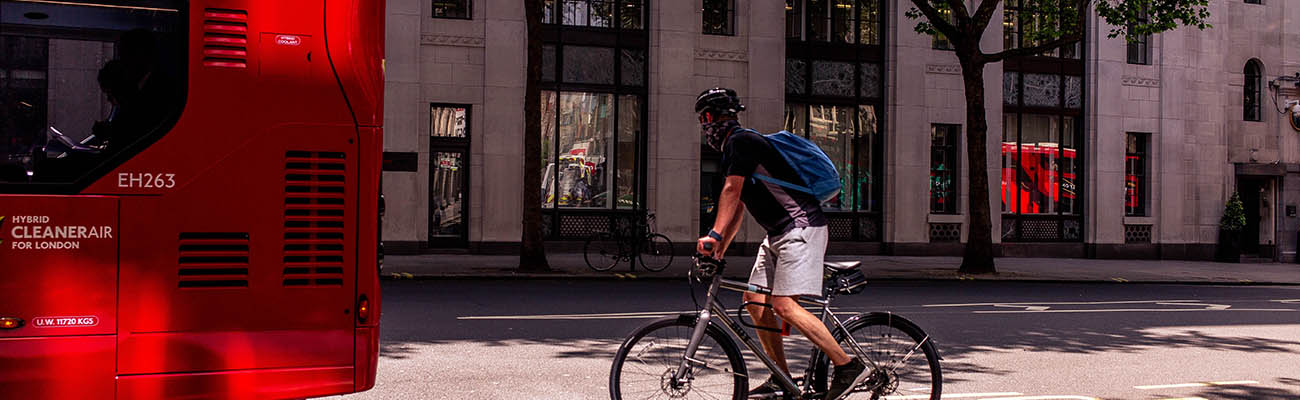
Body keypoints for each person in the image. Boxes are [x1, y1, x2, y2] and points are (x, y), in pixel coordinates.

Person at [693, 87, 865, 399]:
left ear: (717, 116)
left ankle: (847, 365)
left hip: (802, 228)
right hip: (778, 235)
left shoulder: (741, 141)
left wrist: (714, 235)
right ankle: (782, 379)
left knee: (784, 305)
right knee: (756, 301)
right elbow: (739, 207)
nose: (705, 127)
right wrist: (719, 250)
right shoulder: (735, 148)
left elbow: (731, 192)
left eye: (705, 118)